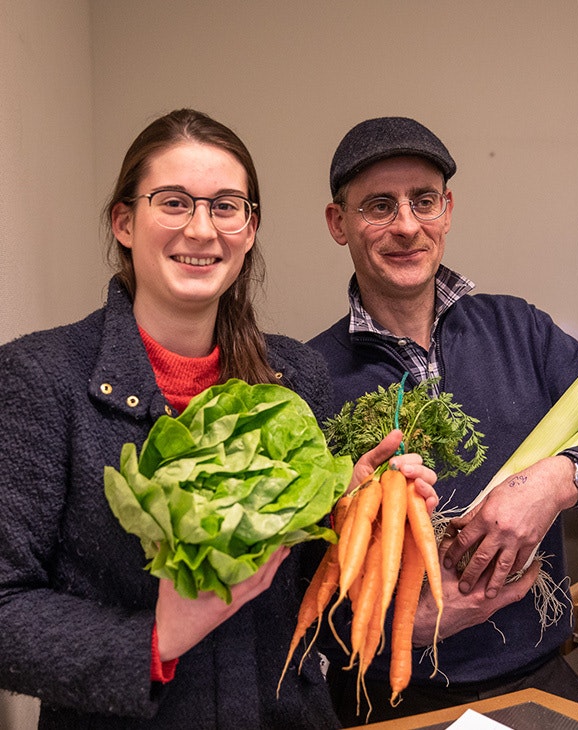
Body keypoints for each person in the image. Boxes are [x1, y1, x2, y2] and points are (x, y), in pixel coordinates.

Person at [0, 109, 438, 729]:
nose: (203, 230)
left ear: (250, 228)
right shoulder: (41, 380)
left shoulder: (298, 376)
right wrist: (157, 637)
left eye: (227, 206)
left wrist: (349, 512)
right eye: (174, 203)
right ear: (125, 222)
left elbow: (301, 589)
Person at [308, 116, 578, 726]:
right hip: (386, 692)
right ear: (339, 224)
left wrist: (556, 480)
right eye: (379, 206)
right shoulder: (311, 377)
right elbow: (292, 580)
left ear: (448, 209)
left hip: (536, 677)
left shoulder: (520, 330)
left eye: (424, 201)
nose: (407, 225)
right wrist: (397, 627)